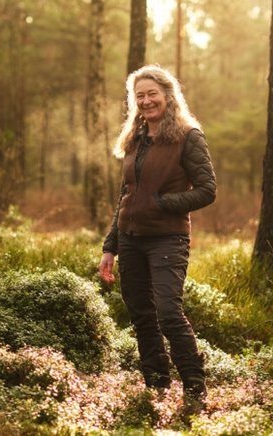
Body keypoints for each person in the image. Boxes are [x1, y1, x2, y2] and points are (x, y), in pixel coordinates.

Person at [98, 65, 216, 415]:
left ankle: (195, 387)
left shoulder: (188, 135)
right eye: (140, 96)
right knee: (141, 314)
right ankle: (156, 385)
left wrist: (163, 203)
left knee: (167, 311)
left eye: (152, 94)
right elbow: (126, 194)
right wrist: (110, 246)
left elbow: (208, 190)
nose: (147, 101)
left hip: (168, 238)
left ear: (167, 95)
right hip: (131, 239)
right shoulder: (135, 137)